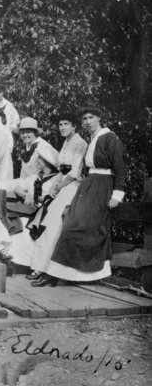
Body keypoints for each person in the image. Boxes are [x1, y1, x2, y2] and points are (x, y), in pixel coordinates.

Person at [44, 102, 126, 285]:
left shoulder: (109, 137)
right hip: (88, 185)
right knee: (71, 221)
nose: (88, 122)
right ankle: (68, 275)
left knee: (85, 226)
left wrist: (116, 195)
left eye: (91, 118)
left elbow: (120, 169)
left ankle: (90, 275)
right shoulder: (92, 138)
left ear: (99, 118)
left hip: (103, 186)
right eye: (84, 119)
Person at [28, 113, 87, 285]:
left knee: (54, 227)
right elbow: (63, 169)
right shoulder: (65, 142)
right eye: (60, 124)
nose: (62, 127)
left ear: (74, 126)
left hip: (73, 188)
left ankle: (50, 273)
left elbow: (75, 172)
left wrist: (59, 185)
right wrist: (55, 184)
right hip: (63, 186)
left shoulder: (80, 143)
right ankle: (41, 268)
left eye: (66, 124)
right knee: (47, 226)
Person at [0, 143, 59, 268]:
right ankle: (9, 259)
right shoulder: (35, 177)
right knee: (5, 213)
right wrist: (26, 195)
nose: (36, 160)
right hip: (28, 208)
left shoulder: (55, 180)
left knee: (24, 229)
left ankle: (21, 263)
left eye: (39, 158)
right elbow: (18, 188)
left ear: (47, 163)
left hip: (42, 212)